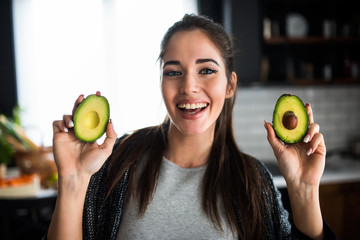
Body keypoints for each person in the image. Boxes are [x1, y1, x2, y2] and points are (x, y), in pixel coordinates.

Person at [46, 14, 335, 240]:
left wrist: (304, 190)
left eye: (206, 70)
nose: (188, 87)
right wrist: (73, 179)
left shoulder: (254, 181)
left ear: (230, 84)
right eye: (173, 72)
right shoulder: (117, 160)